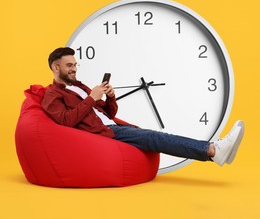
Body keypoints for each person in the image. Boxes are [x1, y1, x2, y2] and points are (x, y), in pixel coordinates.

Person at [41, 47, 244, 166]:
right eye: (69, 65)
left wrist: (110, 98)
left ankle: (214, 150)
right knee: (154, 138)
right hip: (104, 134)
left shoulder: (79, 87)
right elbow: (65, 121)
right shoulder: (52, 95)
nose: (74, 69)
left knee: (155, 136)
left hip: (113, 126)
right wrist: (91, 99)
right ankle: (212, 150)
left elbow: (108, 114)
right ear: (55, 67)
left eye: (76, 65)